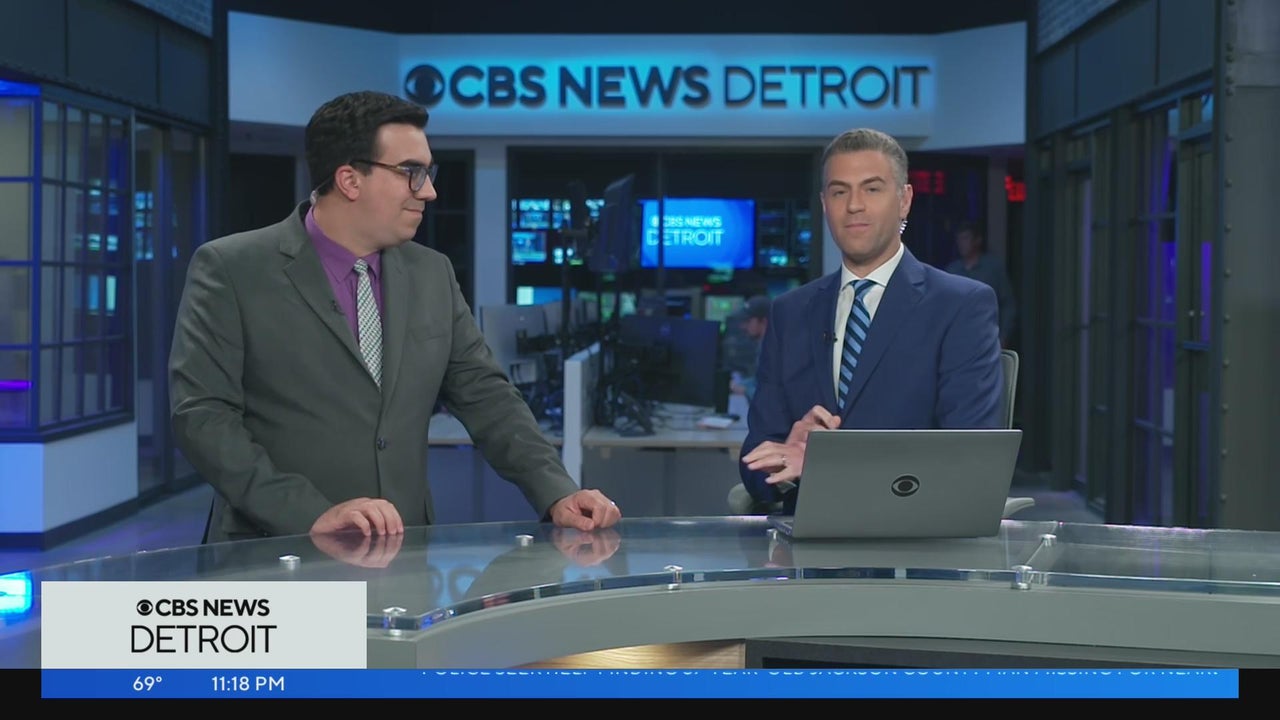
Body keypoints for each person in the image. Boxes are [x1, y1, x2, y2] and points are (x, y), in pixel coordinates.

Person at [170, 90, 620, 543]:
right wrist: (308, 514)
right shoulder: (233, 268)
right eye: (411, 172)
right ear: (350, 180)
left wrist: (557, 491)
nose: (429, 190)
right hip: (275, 549)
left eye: (428, 173)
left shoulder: (432, 273)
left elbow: (487, 396)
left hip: (402, 551)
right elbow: (203, 416)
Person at [738, 128, 1003, 514]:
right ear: (824, 204)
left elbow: (969, 457)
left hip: (913, 536)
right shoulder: (790, 313)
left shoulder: (960, 306)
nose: (854, 206)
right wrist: (783, 461)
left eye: (872, 189)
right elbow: (754, 460)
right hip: (806, 539)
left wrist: (829, 465)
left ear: (904, 200)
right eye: (839, 192)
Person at [945, 220, 1017, 347]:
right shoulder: (952, 271)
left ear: (977, 240)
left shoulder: (993, 269)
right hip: (958, 341)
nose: (961, 243)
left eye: (965, 238)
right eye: (959, 239)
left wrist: (1003, 337)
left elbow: (1008, 305)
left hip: (986, 338)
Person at [728, 294, 771, 399]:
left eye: (748, 321)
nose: (743, 326)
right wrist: (739, 384)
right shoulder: (763, 346)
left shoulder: (776, 353)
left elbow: (772, 396)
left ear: (764, 321)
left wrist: (745, 390)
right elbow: (757, 381)